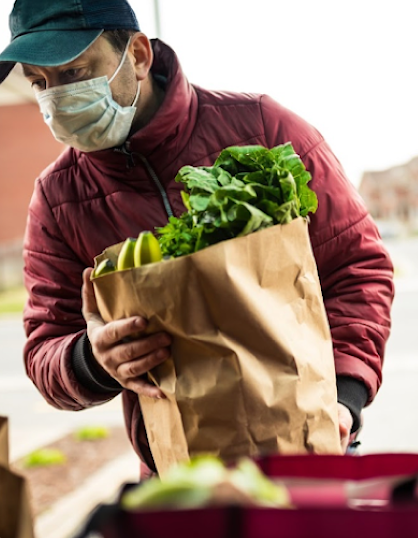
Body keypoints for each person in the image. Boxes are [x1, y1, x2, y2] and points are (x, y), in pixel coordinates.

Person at [0, 0, 394, 477]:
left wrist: (346, 400)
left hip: (311, 442)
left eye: (74, 72)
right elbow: (45, 350)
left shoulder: (263, 128)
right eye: (40, 82)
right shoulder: (57, 199)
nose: (55, 98)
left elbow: (358, 269)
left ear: (139, 56)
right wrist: (92, 359)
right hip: (179, 473)